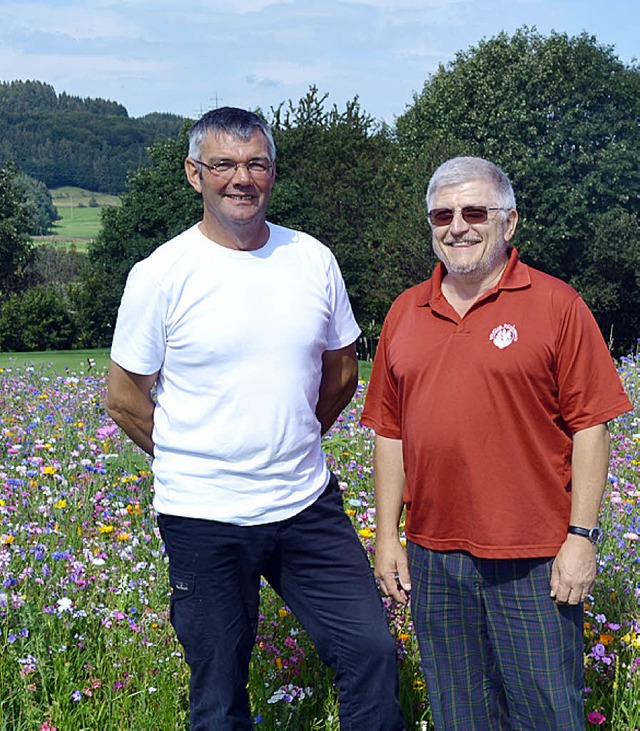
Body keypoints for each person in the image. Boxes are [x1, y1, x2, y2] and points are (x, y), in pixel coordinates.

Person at [105, 106, 405, 731]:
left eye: (256, 163)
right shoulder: (160, 274)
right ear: (195, 174)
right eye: (223, 164)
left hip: (305, 503)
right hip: (203, 515)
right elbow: (125, 397)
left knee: (371, 651)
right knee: (218, 689)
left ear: (272, 173)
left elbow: (343, 374)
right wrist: (195, 456)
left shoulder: (312, 259)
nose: (241, 178)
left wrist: (289, 440)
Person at [361, 156, 632, 731]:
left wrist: (582, 538)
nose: (457, 226)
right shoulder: (405, 312)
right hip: (435, 557)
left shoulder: (557, 305)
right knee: (459, 714)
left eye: (474, 211)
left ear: (508, 223)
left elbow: (591, 426)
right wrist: (387, 536)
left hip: (534, 556)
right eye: (442, 214)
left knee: (546, 713)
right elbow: (391, 432)